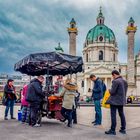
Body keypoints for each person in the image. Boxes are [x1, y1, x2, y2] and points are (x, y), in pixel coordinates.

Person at [105, 70, 128, 135]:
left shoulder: (115, 81)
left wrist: (109, 90)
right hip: (121, 100)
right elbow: (125, 92)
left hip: (114, 101)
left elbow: (112, 92)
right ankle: (123, 129)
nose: (113, 77)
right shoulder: (124, 81)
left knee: (113, 115)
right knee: (121, 114)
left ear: (114, 74)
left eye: (113, 76)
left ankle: (112, 130)